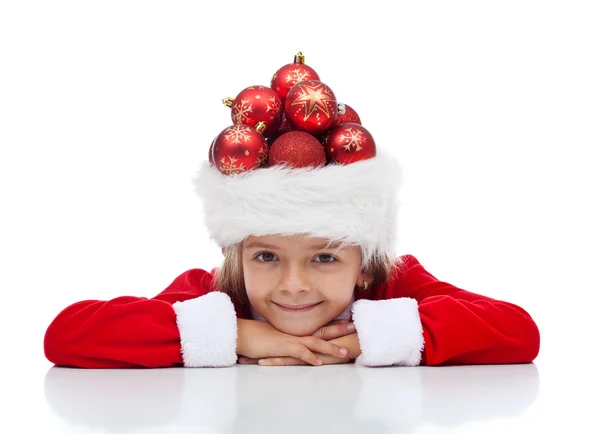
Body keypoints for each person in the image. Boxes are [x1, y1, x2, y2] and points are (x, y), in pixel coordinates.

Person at [44, 144, 540, 369]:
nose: (294, 284)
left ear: (364, 262)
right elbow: (65, 336)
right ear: (234, 255)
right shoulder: (215, 294)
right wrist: (239, 333)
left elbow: (520, 331)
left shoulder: (395, 283)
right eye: (266, 256)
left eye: (324, 259)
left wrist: (366, 339)